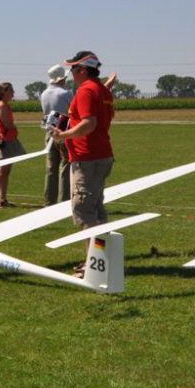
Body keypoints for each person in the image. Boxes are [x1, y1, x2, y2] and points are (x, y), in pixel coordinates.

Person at [49, 51, 115, 278]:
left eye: (73, 69)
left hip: (87, 159)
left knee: (84, 211)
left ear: (83, 70)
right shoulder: (102, 89)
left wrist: (63, 135)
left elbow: (89, 123)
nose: (70, 73)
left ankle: (93, 266)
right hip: (102, 155)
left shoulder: (86, 90)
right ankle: (101, 260)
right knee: (97, 209)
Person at [40, 64, 73, 205]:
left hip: (49, 132)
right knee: (65, 166)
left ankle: (49, 201)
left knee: (51, 169)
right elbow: (74, 111)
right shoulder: (66, 93)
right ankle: (64, 200)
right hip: (64, 131)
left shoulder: (44, 94)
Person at [0, 82, 26, 208]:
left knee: (7, 171)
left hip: (10, 140)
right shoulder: (1, 106)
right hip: (4, 142)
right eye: (11, 91)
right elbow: (6, 124)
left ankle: (3, 199)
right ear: (4, 92)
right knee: (1, 171)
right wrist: (14, 126)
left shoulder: (6, 105)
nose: (13, 93)